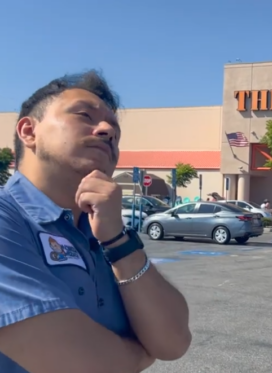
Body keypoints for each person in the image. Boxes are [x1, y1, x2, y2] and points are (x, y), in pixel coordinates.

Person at [0, 71, 191, 373]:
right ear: (28, 131)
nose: (106, 130)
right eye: (84, 116)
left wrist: (118, 241)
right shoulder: (7, 218)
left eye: (114, 129)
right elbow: (74, 361)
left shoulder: (105, 231)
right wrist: (140, 353)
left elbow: (174, 342)